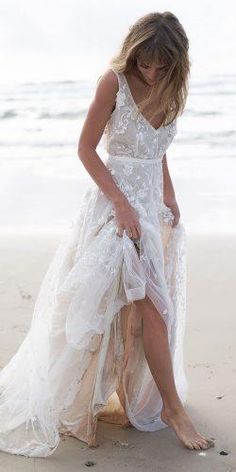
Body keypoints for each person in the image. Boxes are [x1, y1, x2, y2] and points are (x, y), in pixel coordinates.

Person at [0, 11, 215, 458]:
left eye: (161, 65)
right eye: (145, 63)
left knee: (144, 315)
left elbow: (158, 150)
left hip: (151, 211)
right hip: (114, 210)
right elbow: (85, 148)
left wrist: (169, 197)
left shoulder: (172, 89)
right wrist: (121, 205)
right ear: (133, 53)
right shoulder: (112, 83)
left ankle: (117, 394)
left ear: (176, 63)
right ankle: (175, 411)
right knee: (146, 308)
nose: (151, 72)